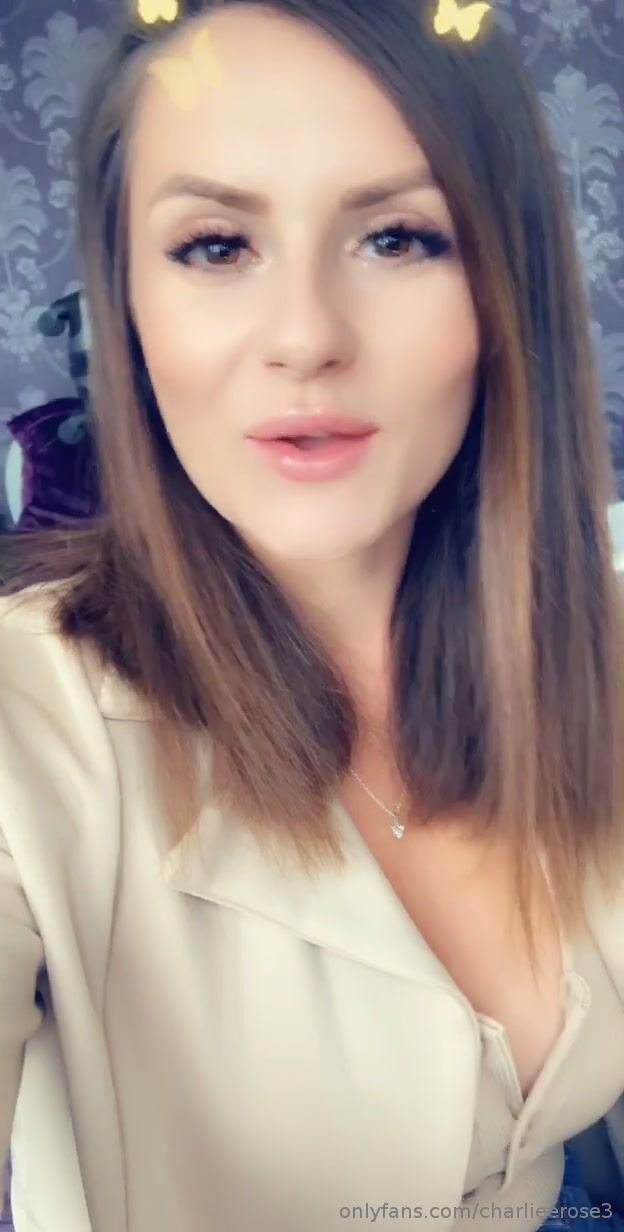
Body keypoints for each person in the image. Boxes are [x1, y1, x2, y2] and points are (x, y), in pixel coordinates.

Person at [2, 0, 624, 1228]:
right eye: (216, 246)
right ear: (128, 306)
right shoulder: (30, 722)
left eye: (397, 237)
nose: (305, 338)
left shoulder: (597, 642)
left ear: (504, 293)